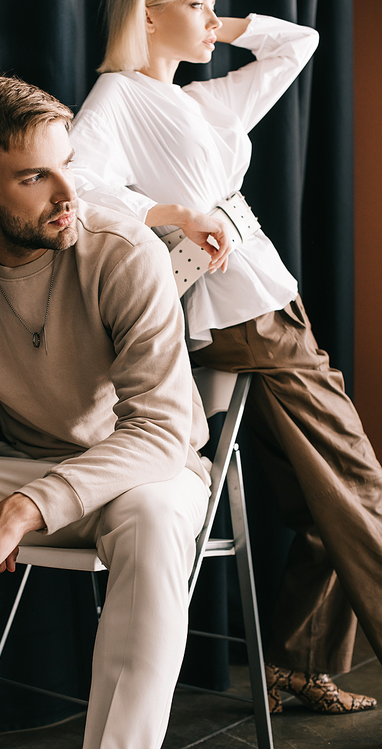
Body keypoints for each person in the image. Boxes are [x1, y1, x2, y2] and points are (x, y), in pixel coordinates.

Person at [69, 0, 382, 714]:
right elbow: (80, 187)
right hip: (242, 315)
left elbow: (299, 43)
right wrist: (176, 214)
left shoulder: (199, 98)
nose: (211, 14)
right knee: (364, 485)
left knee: (321, 503)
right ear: (145, 14)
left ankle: (297, 666)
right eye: (195, 3)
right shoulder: (119, 95)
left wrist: (226, 27)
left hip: (270, 301)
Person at [0, 73, 212, 749]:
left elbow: (158, 431)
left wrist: (21, 511)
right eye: (36, 177)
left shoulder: (125, 253)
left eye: (69, 166)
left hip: (142, 474)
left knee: (152, 515)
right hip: (28, 469)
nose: (69, 196)